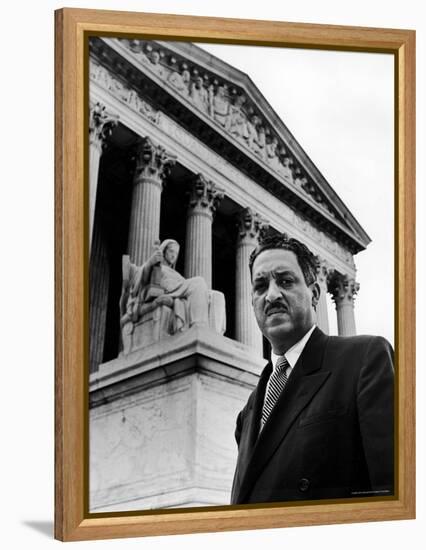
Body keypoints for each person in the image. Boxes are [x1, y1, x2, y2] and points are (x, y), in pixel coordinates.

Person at [230, 232, 394, 504]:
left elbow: (392, 491)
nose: (271, 295)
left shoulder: (365, 359)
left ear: (314, 293)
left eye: (285, 281)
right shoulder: (247, 412)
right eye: (260, 286)